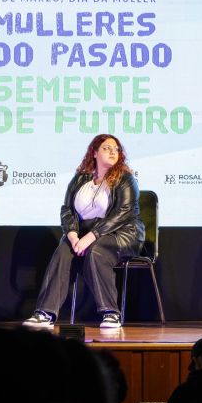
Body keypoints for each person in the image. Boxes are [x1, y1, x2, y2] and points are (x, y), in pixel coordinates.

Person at [23, 134, 145, 329]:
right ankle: (45, 313)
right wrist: (72, 235)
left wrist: (90, 237)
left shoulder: (126, 179)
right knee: (64, 248)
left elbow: (122, 214)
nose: (113, 152)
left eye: (116, 149)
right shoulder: (80, 179)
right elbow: (67, 210)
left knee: (96, 249)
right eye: (107, 148)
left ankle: (110, 313)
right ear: (94, 153)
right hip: (84, 234)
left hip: (123, 234)